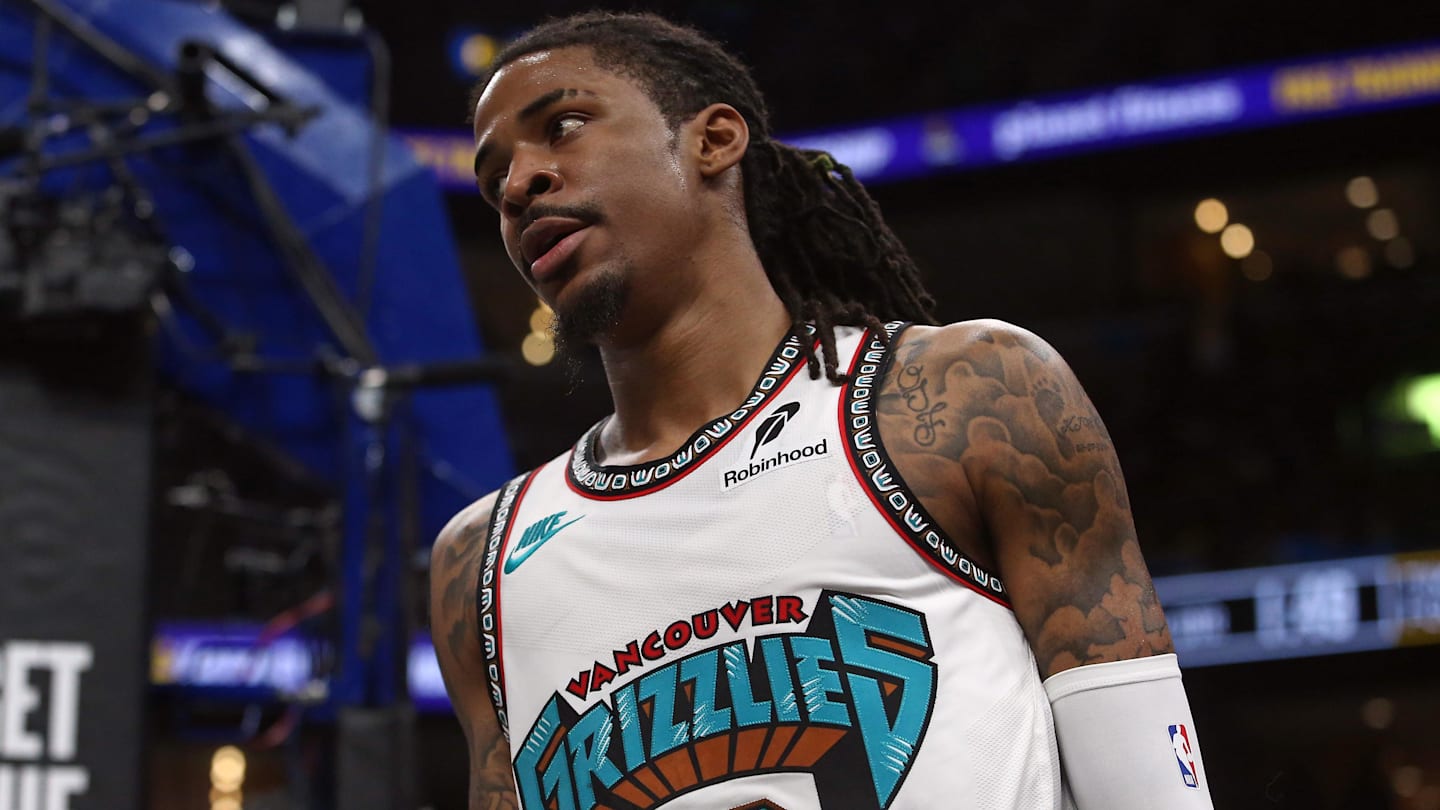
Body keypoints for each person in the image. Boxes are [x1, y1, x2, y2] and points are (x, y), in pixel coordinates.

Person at [430, 11, 1214, 810]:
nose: (518, 186)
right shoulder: (479, 565)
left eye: (563, 127)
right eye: (494, 181)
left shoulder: (963, 394)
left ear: (713, 140)